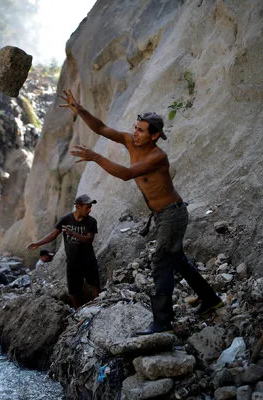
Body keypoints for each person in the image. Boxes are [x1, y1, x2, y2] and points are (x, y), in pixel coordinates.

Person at [60, 89, 223, 335]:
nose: (135, 134)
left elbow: (126, 174)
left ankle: (162, 322)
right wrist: (80, 109)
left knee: (162, 263)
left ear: (155, 135)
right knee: (176, 259)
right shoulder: (130, 141)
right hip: (161, 215)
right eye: (135, 128)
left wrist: (95, 157)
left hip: (173, 214)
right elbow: (102, 128)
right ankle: (210, 299)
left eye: (141, 130)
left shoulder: (158, 156)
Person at [27, 194, 101, 308]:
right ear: (78, 206)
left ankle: (97, 307)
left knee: (94, 284)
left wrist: (72, 233)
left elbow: (89, 240)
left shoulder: (91, 221)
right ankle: (77, 312)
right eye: (87, 207)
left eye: (90, 207)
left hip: (88, 260)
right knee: (73, 291)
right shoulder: (66, 219)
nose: (90, 210)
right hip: (73, 262)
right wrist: (38, 243)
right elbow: (53, 235)